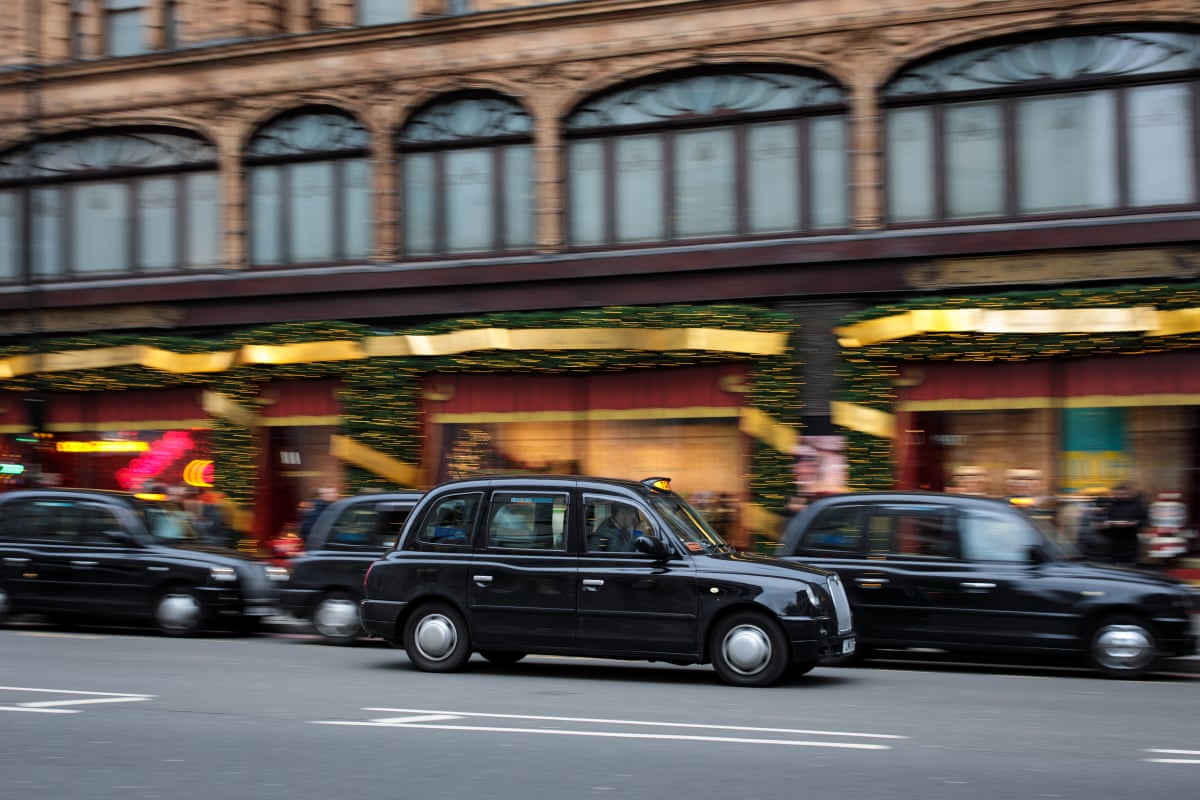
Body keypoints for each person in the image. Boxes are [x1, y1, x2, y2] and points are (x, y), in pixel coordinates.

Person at [1103, 480, 1147, 565]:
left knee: (1130, 565)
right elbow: (1107, 518)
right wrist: (1109, 523)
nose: (1120, 496)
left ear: (1128, 492)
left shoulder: (1137, 504)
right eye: (1118, 494)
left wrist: (1135, 523)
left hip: (1130, 541)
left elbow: (1144, 520)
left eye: (1123, 494)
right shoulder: (1113, 504)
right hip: (1115, 542)